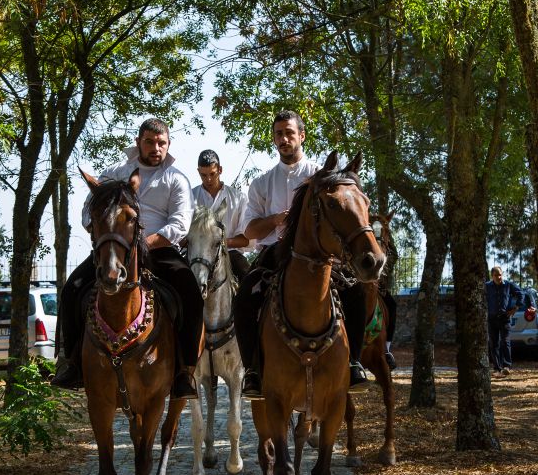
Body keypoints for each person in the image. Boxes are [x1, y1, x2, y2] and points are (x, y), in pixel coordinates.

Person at [51, 118, 203, 398]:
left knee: (191, 294)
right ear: (138, 143)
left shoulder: (177, 179)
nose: (156, 147)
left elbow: (180, 224)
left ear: (168, 145)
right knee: (72, 288)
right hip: (112, 249)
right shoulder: (113, 173)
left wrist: (142, 244)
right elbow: (88, 210)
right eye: (149, 142)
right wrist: (106, 233)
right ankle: (70, 363)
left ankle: (185, 371)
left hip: (159, 250)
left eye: (162, 143)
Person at [233, 110, 371, 397]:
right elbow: (249, 231)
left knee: (356, 292)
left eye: (289, 133)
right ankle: (253, 371)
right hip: (274, 252)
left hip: (320, 255)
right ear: (273, 140)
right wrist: (276, 219)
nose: (284, 139)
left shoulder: (321, 176)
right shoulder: (261, 183)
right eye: (279, 134)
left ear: (302, 136)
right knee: (245, 295)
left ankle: (354, 363)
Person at [192, 149, 253, 283]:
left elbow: (246, 240)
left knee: (250, 282)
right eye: (203, 175)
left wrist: (221, 243)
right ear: (198, 171)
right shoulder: (190, 197)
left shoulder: (238, 198)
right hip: (197, 256)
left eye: (212, 174)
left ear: (220, 169)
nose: (208, 179)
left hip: (230, 255)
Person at [485, 266, 523, 377]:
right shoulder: (487, 286)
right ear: (492, 276)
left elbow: (521, 293)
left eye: (500, 274)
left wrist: (515, 308)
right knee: (494, 344)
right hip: (492, 319)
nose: (499, 277)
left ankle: (507, 366)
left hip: (504, 318)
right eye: (496, 275)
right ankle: (497, 368)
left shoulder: (508, 285)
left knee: (505, 342)